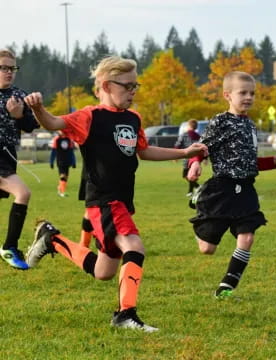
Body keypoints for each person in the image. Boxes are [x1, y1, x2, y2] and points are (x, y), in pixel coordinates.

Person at [23, 55, 208, 332]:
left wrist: (184, 152)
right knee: (134, 247)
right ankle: (125, 315)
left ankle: (52, 238)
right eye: (127, 86)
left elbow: (143, 151)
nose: (133, 92)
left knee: (103, 272)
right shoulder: (89, 116)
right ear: (107, 85)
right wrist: (38, 108)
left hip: (122, 200)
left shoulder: (133, 118)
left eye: (136, 86)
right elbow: (52, 123)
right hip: (104, 199)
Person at [187, 71, 276, 299]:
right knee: (207, 249)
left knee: (247, 237)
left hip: (245, 189)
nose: (248, 97)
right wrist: (195, 164)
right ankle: (199, 204)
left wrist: (273, 161)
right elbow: (201, 147)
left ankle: (228, 285)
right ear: (228, 95)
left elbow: (248, 162)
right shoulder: (221, 122)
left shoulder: (251, 126)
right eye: (242, 92)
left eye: (252, 93)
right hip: (221, 189)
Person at [0, 49, 39, 270]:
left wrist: (19, 115)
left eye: (12, 68)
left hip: (8, 156)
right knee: (23, 193)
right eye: (4, 67)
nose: (9, 72)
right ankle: (9, 247)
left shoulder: (19, 95)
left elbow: (32, 126)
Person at [174, 119, 201, 197]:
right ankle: (192, 190)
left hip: (187, 158)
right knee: (192, 175)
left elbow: (178, 144)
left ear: (189, 126)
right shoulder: (198, 136)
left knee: (186, 175)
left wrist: (175, 155)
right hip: (196, 158)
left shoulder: (184, 134)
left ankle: (197, 187)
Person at [50, 130, 76, 197]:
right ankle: (62, 192)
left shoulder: (69, 139)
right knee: (63, 176)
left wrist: (73, 162)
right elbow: (53, 152)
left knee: (65, 177)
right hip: (60, 161)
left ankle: (60, 190)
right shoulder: (57, 139)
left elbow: (71, 152)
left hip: (67, 161)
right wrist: (51, 162)